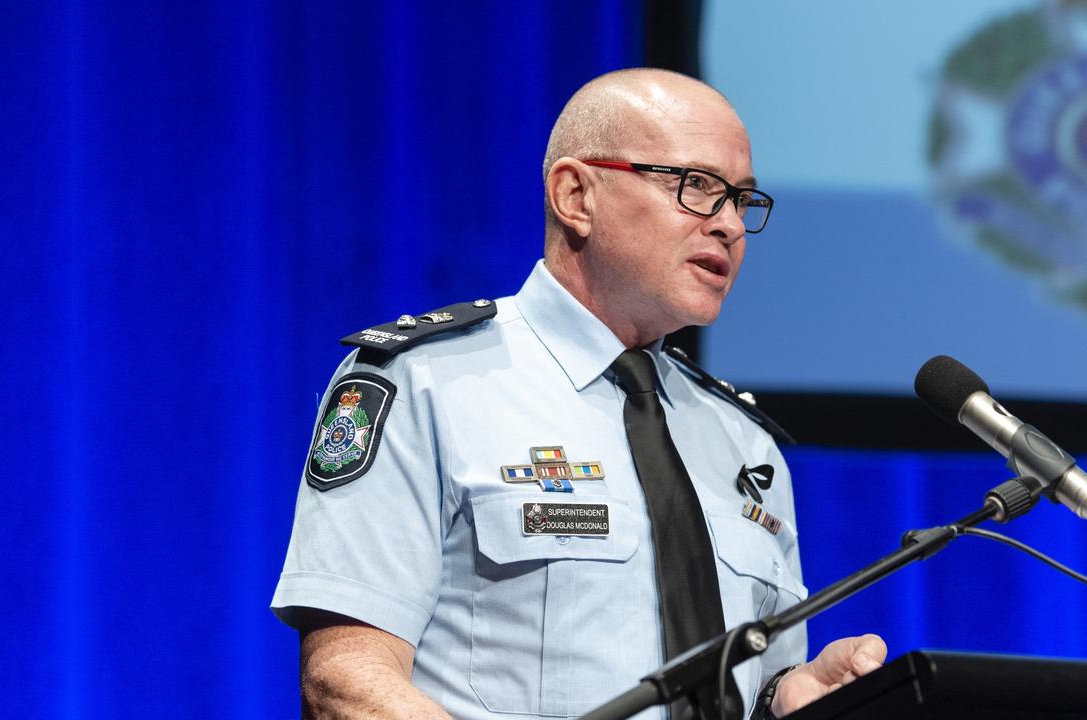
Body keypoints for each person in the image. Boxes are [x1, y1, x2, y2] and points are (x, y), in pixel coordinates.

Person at [272, 67, 886, 719]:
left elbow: (759, 680)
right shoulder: (427, 383)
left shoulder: (745, 445)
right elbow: (348, 683)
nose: (730, 224)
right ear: (575, 196)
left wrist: (785, 695)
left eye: (742, 199)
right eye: (697, 186)